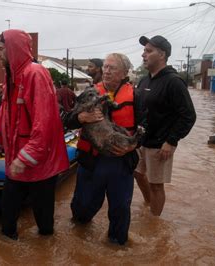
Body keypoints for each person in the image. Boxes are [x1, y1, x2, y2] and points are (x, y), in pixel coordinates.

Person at [0, 29, 69, 240]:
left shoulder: (35, 74)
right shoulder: (10, 78)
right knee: (7, 224)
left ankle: (45, 253)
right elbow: (5, 114)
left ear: (13, 49)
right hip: (16, 162)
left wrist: (26, 157)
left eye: (0, 49)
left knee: (44, 226)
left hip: (39, 165)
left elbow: (45, 121)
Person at [65, 53, 142, 245]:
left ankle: (117, 247)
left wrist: (133, 145)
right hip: (91, 161)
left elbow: (149, 127)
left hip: (120, 161)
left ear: (124, 73)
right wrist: (81, 118)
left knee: (120, 208)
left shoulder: (137, 96)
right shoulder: (89, 94)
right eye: (105, 67)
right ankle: (78, 240)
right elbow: (66, 120)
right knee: (82, 209)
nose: (106, 71)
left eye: (112, 68)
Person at [134, 35, 196, 216]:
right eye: (144, 51)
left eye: (148, 51)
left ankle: (154, 223)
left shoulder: (174, 82)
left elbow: (188, 116)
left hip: (161, 145)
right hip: (141, 141)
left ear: (162, 55)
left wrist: (171, 141)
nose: (143, 55)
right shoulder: (144, 81)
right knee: (137, 174)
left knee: (156, 185)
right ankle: (148, 204)